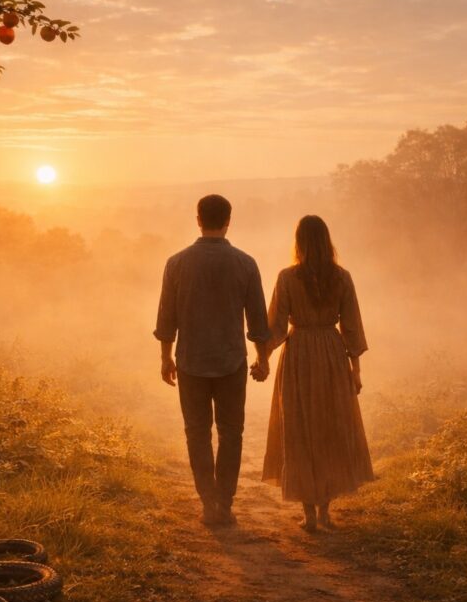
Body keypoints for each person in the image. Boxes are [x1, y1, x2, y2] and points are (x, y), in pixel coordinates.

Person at [252, 215, 375, 531]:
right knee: (330, 427)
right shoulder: (342, 277)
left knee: (301, 428)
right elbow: (351, 327)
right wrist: (356, 370)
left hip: (301, 355)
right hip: (333, 355)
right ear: (327, 240)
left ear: (299, 242)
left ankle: (308, 514)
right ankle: (324, 512)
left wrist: (263, 359)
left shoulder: (287, 278)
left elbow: (276, 328)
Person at [154, 194, 270, 526]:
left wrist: (165, 357)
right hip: (232, 362)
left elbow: (167, 318)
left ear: (198, 219)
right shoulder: (245, 263)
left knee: (197, 433)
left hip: (190, 361)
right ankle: (225, 504)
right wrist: (262, 360)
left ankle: (207, 503)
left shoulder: (176, 263)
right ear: (228, 220)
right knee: (231, 433)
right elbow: (258, 321)